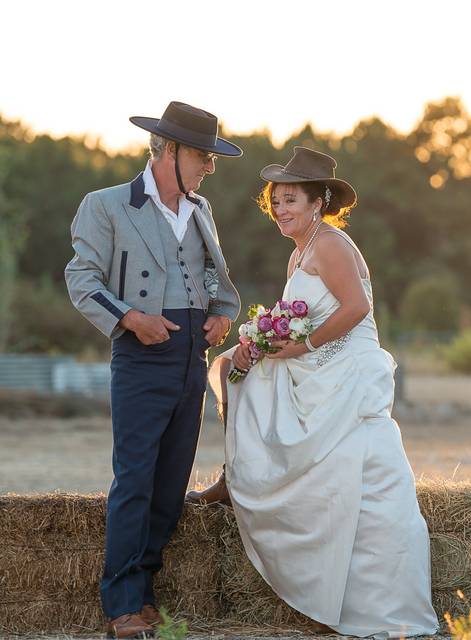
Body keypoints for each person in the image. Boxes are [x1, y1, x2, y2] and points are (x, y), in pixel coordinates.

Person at [206, 147, 439, 637]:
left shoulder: (331, 245)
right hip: (313, 366)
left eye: (290, 199)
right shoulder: (301, 251)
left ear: (318, 202)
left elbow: (354, 308)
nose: (279, 208)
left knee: (359, 471)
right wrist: (263, 343)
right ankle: (238, 474)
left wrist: (303, 344)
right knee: (234, 368)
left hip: (344, 370)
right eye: (274, 199)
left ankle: (241, 478)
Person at [65, 101, 242, 638]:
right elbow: (81, 278)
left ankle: (143, 590)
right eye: (202, 156)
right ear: (168, 151)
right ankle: (122, 603)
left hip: (193, 353)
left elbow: (212, 278)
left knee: (170, 487)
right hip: (141, 353)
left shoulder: (202, 210)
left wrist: (221, 315)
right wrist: (131, 318)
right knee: (136, 480)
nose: (210, 166)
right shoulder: (107, 205)